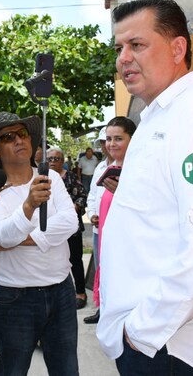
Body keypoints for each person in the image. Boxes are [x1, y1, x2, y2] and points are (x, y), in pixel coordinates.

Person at [97, 0, 193, 375]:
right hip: (155, 341)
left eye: (137, 45)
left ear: (177, 47)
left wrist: (141, 331)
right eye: (119, 48)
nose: (124, 58)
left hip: (172, 348)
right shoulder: (160, 117)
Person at [0, 111, 80, 376]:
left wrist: (21, 240)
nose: (19, 140)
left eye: (22, 134)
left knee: (67, 369)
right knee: (13, 370)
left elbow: (70, 222)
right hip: (15, 297)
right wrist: (28, 206)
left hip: (61, 291)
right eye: (8, 137)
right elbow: (0, 236)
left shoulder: (51, 177)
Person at [90, 117, 136, 317]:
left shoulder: (137, 170)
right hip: (105, 240)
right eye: (109, 139)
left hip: (127, 247)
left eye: (118, 138)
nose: (111, 144)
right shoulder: (107, 168)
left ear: (132, 139)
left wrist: (123, 193)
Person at [47, 145, 87, 309]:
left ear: (62, 161)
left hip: (70, 229)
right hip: (49, 228)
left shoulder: (70, 177)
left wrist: (72, 210)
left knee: (75, 260)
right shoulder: (43, 178)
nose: (52, 162)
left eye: (56, 159)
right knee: (52, 260)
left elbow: (82, 196)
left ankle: (80, 293)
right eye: (49, 159)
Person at [84, 132, 113, 324]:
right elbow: (93, 195)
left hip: (118, 231)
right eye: (105, 141)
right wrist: (93, 213)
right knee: (101, 269)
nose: (108, 145)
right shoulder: (100, 167)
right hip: (98, 230)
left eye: (114, 140)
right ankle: (102, 308)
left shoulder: (131, 165)